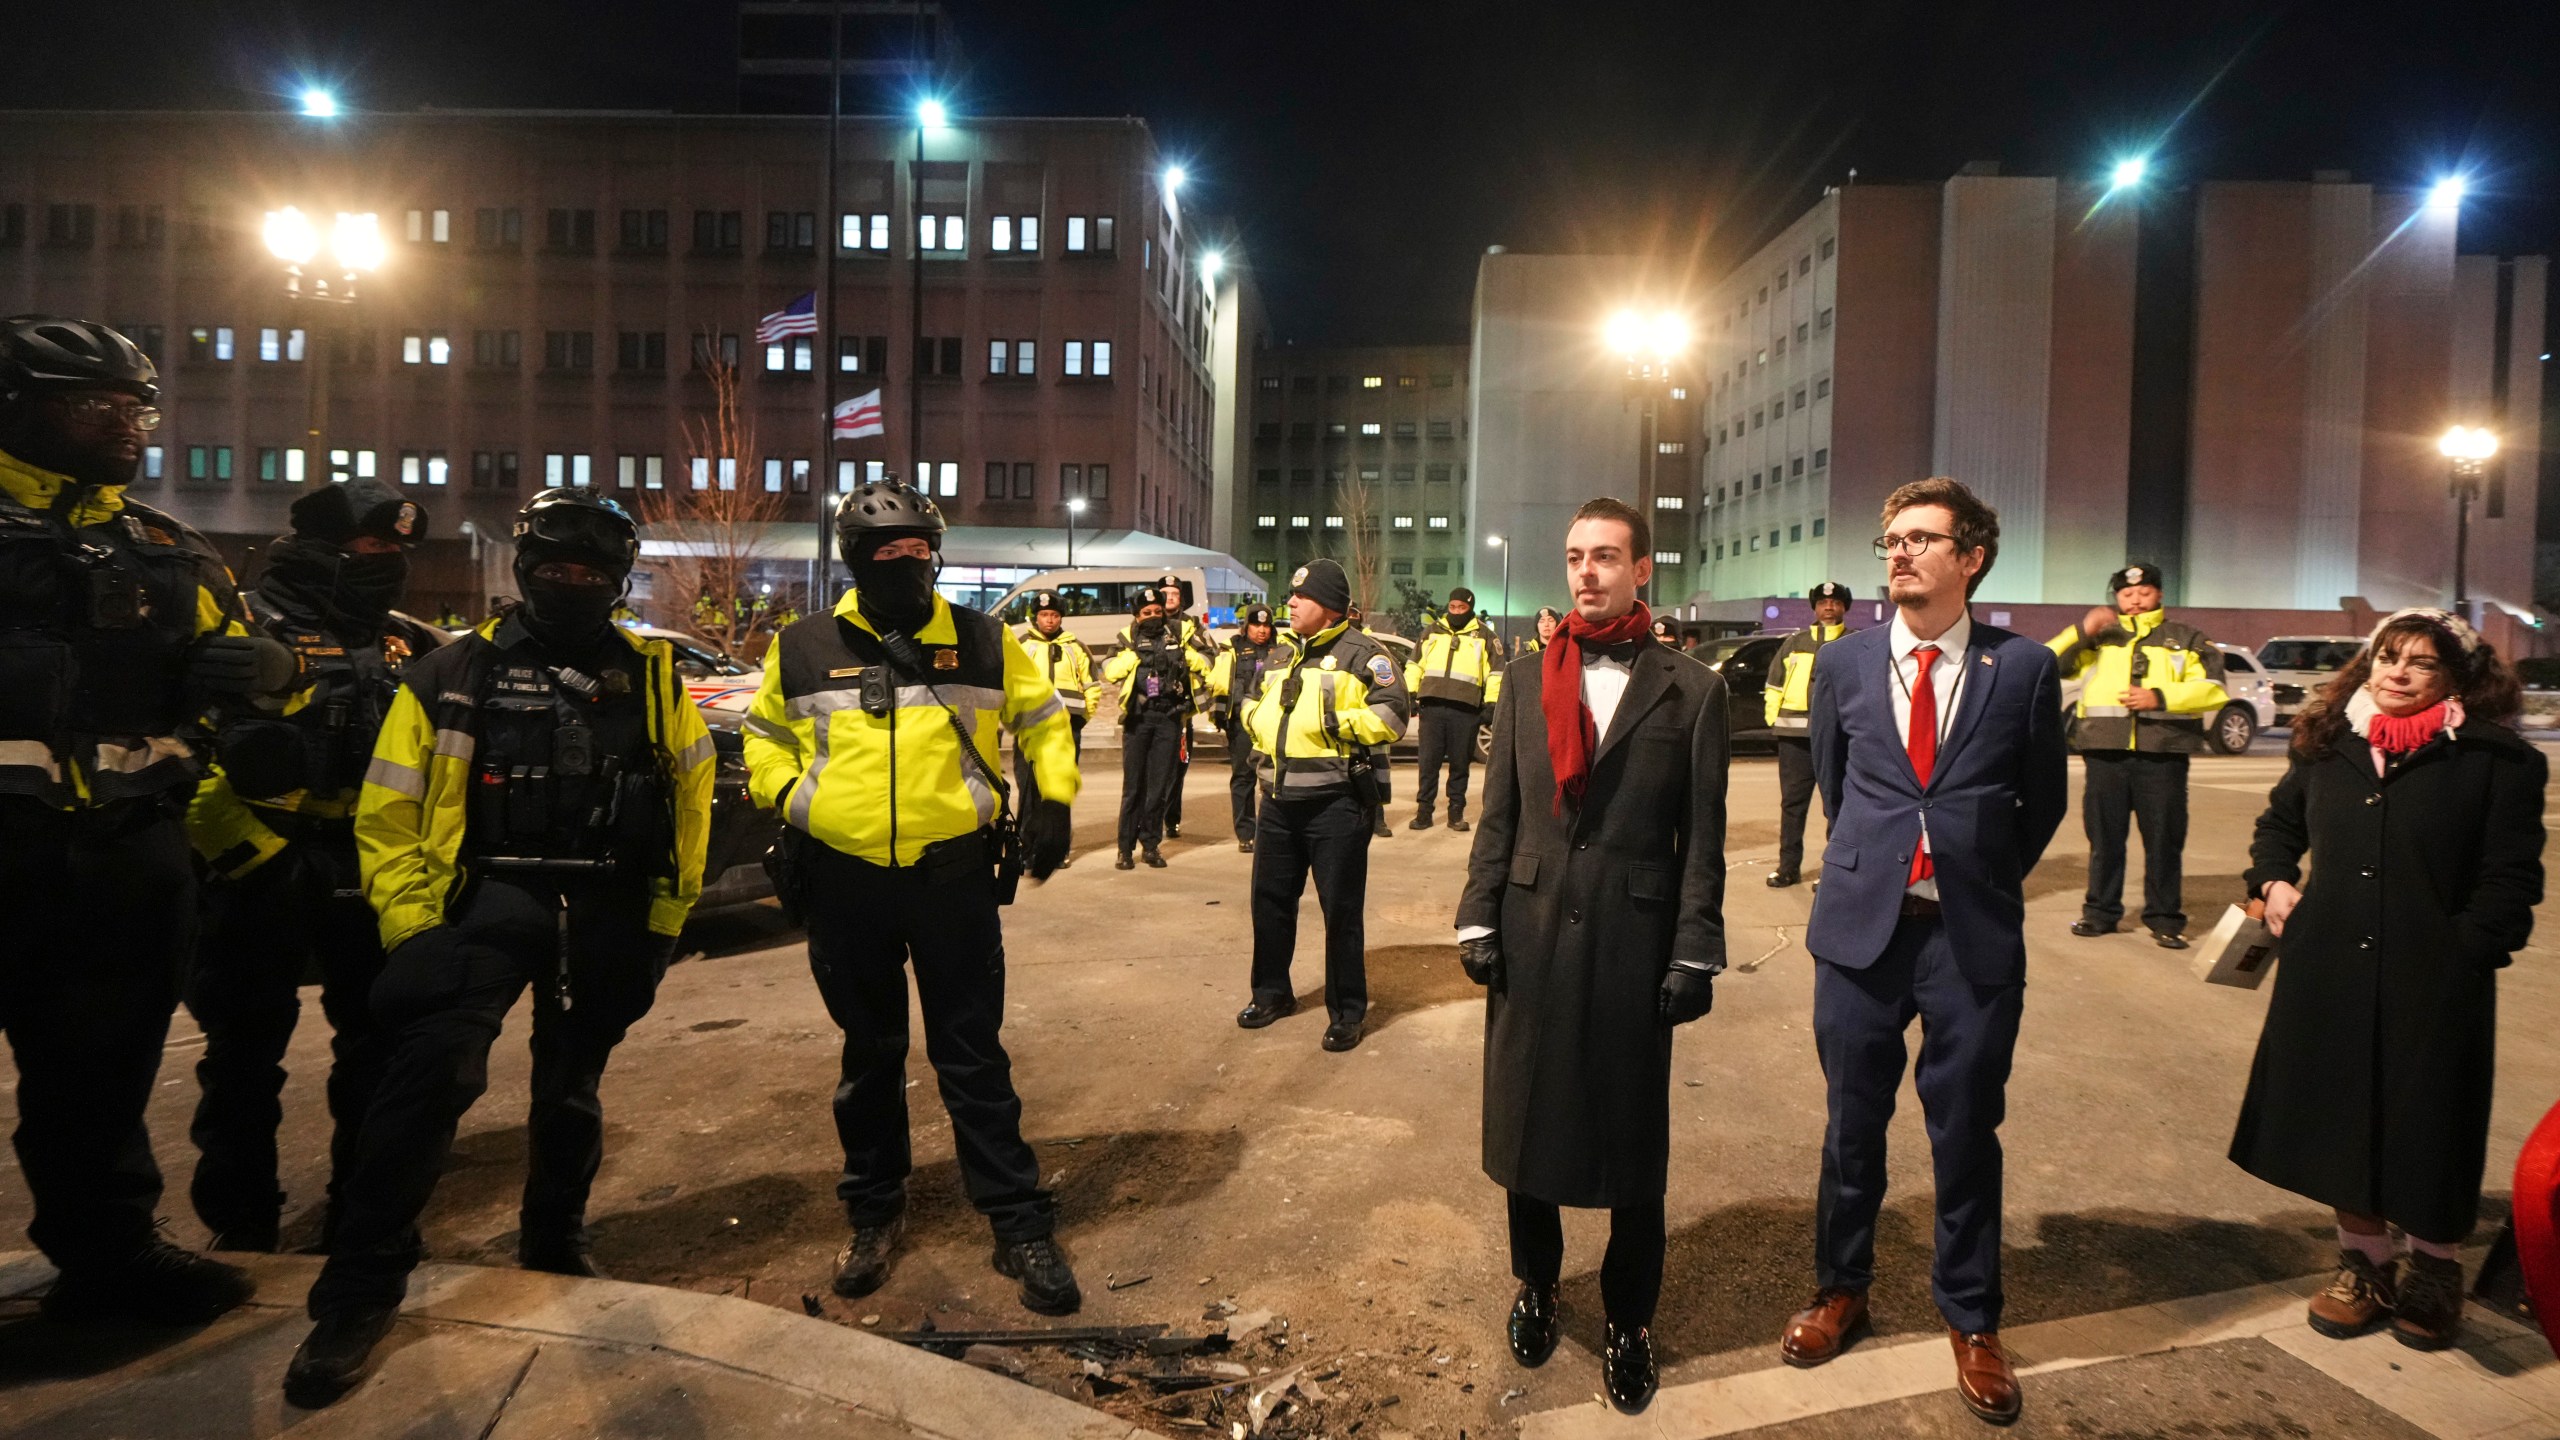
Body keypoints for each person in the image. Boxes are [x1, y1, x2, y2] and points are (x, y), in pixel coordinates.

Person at [284, 488, 717, 1406]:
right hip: (484, 900)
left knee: (571, 1090)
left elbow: (687, 804)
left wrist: (663, 927)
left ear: (618, 581)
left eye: (592, 573)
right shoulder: (448, 673)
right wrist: (412, 928)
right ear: (524, 570)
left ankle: (553, 1241)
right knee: (427, 1083)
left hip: (603, 905)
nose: (572, 584)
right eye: (556, 568)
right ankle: (358, 1292)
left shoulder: (650, 676)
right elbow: (390, 813)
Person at [0, 315, 291, 1326]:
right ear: (17, 407)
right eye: (97, 404)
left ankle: (111, 1258)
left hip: (123, 859)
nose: (127, 424)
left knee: (100, 1078)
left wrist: (262, 675)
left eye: (137, 406)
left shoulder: (167, 551)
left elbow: (259, 688)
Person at [741, 480, 1081, 1322]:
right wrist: (796, 800)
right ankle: (873, 1212)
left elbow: (1044, 721)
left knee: (972, 1055)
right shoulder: (803, 645)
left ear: (937, 556)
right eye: (887, 555)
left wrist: (1055, 794)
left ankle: (1015, 1218)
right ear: (855, 562)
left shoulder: (984, 640)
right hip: (845, 879)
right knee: (870, 1057)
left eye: (919, 553)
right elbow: (763, 736)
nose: (907, 566)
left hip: (952, 878)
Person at [1782, 477, 2067, 1426]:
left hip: (1969, 937)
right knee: (1851, 1127)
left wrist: (1971, 871)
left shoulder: (2020, 669)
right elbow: (1836, 785)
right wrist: (1880, 867)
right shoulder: (1846, 666)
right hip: (1862, 935)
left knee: (1965, 1132)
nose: (1899, 554)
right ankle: (1840, 1288)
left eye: (1921, 539)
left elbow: (2043, 803)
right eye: (1890, 540)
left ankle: (1973, 1318)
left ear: (1971, 557)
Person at [1456, 497, 1729, 1415]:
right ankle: (1536, 1284)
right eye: (1575, 556)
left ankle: (1628, 1318)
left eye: (1607, 556)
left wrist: (1695, 947)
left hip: (1633, 941)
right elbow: (1499, 814)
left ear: (1641, 568)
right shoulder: (1525, 676)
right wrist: (1476, 914)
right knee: (1527, 1128)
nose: (1587, 572)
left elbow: (1704, 839)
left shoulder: (1692, 690)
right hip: (1530, 934)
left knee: (1629, 1143)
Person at [2234, 608, 2544, 1351]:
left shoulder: (2496, 761)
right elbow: (2279, 830)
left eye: (2421, 662)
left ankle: (2435, 1271)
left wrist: (2467, 952)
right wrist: (2274, 882)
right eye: (2387, 656)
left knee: (2431, 1121)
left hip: (2435, 978)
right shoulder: (2325, 746)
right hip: (2328, 967)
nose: (2397, 672)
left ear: (2458, 677)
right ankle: (2364, 1264)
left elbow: (2509, 879)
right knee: (2339, 1117)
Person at [184, 481, 441, 1255]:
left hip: (370, 870)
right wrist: (251, 854)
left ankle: (358, 1221)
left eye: (399, 551)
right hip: (260, 867)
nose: (389, 563)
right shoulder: (241, 628)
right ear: (323, 547)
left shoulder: (405, 642)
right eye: (373, 548)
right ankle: (241, 1227)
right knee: (242, 1059)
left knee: (378, 1054)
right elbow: (178, 750)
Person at [1240, 558, 1410, 1052]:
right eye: (1291, 596)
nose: (1289, 603)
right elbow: (1251, 705)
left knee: (1341, 912)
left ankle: (1347, 1011)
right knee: (1269, 905)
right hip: (1275, 799)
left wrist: (1332, 720)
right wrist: (1258, 726)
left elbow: (1394, 715)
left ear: (1331, 607)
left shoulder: (1365, 654)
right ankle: (1271, 994)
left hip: (1335, 804)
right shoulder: (1278, 655)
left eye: (1302, 597)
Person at [2050, 564, 2228, 948]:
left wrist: (2159, 698)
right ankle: (2099, 913)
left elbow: (2214, 688)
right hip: (2105, 753)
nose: (2134, 599)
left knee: (2164, 840)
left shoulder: (2186, 638)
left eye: (2144, 592)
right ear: (2115, 596)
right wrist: (2083, 631)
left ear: (2160, 594)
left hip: (2163, 753)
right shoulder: (2101, 637)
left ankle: (2165, 918)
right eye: (2126, 593)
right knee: (2104, 840)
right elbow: (2048, 663)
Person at [1104, 586, 1209, 869]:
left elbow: (1209, 661)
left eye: (1157, 611)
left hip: (1170, 718)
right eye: (1146, 612)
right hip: (1139, 717)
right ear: (1136, 615)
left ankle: (1151, 846)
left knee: (1159, 787)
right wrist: (1134, 656)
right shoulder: (1126, 638)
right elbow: (1110, 670)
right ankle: (1124, 849)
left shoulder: (1180, 632)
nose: (1153, 616)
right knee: (1133, 788)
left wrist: (1188, 657)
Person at [1765, 582, 1853, 887]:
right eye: (1823, 602)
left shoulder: (1853, 642)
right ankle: (1788, 868)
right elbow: (1774, 684)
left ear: (1844, 607)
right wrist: (1773, 719)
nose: (1829, 606)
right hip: (1793, 738)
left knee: (1837, 806)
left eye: (1835, 601)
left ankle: (1834, 871)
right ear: (1815, 608)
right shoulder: (1794, 642)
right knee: (1792, 805)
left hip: (1838, 739)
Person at [1407, 587, 1499, 832]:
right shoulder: (1432, 631)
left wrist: (1491, 703)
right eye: (1453, 607)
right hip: (1432, 707)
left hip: (1466, 710)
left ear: (1470, 608)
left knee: (1460, 765)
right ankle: (1424, 813)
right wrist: (1410, 692)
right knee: (1428, 765)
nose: (1457, 611)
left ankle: (1455, 814)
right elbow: (1415, 664)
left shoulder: (1485, 636)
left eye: (1462, 608)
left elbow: (1496, 673)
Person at [1209, 602, 1294, 852]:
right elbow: (1219, 682)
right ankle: (1246, 833)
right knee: (1243, 778)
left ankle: (1275, 830)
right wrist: (1220, 716)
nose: (1262, 630)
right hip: (1241, 723)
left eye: (1266, 625)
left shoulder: (1282, 650)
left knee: (1275, 776)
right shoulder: (1232, 647)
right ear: (1247, 626)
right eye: (1257, 624)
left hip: (1271, 722)